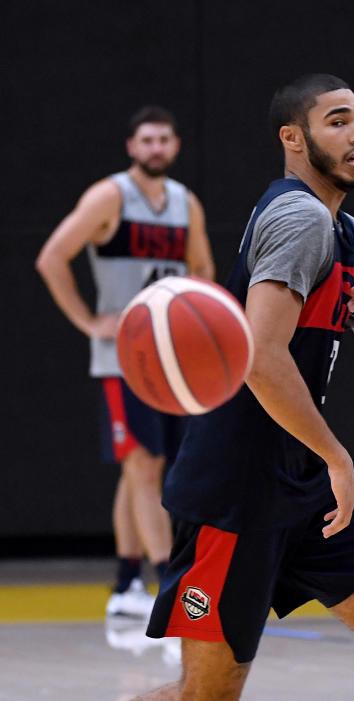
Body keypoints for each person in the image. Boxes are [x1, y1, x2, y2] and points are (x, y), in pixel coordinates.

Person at [136, 74, 354, 701]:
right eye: (337, 121)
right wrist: (337, 456)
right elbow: (260, 358)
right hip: (237, 489)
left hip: (306, 490)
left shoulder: (351, 236)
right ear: (293, 138)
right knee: (207, 695)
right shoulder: (300, 217)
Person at [35, 106, 214, 618]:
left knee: (145, 470)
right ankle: (168, 583)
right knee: (142, 465)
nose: (156, 148)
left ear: (175, 146)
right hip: (124, 357)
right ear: (132, 147)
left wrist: (200, 325)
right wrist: (90, 322)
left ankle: (125, 584)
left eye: (164, 140)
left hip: (170, 359)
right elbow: (51, 257)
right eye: (147, 140)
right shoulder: (109, 195)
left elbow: (201, 269)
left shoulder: (186, 204)